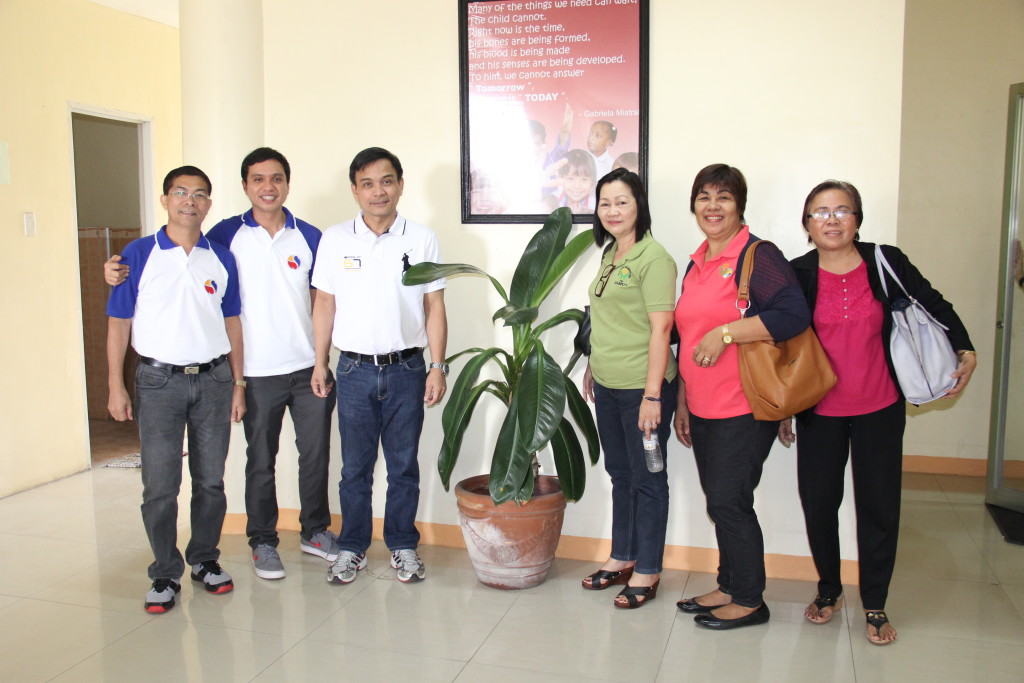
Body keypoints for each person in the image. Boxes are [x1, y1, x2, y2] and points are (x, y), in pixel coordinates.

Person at [105, 148, 340, 582]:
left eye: (276, 178)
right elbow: (136, 312)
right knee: (254, 462)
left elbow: (320, 301)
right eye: (257, 179)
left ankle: (312, 532)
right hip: (241, 373)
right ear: (245, 186)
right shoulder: (223, 236)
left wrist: (321, 360)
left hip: (302, 369)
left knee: (310, 457)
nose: (267, 187)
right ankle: (258, 542)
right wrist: (115, 270)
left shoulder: (308, 236)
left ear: (287, 183)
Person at [779, 179, 976, 645]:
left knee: (879, 507)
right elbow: (782, 342)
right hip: (818, 411)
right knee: (820, 504)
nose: (831, 219)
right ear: (806, 225)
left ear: (857, 219)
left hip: (880, 408)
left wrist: (964, 348)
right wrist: (784, 407)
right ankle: (829, 589)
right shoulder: (797, 273)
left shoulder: (885, 261)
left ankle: (876, 602)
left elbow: (933, 303)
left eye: (842, 210)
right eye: (820, 212)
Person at [673, 163, 810, 630]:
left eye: (724, 197)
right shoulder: (696, 262)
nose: (713, 206)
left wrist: (726, 332)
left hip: (745, 406)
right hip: (704, 405)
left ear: (740, 206)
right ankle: (729, 584)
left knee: (730, 502)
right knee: (720, 501)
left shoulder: (758, 255)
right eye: (705, 197)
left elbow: (793, 314)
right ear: (694, 205)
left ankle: (750, 599)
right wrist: (683, 401)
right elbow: (686, 337)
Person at [107, 166, 245, 613]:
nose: (190, 200)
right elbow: (118, 323)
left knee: (210, 481)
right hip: (157, 380)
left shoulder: (220, 257)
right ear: (165, 199)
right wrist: (116, 385)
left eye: (200, 194)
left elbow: (232, 323)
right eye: (181, 192)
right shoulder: (138, 253)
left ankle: (205, 560)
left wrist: (238, 382)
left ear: (209, 203)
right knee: (160, 485)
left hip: (214, 380)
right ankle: (164, 572)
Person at [311, 147, 448, 585]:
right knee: (354, 469)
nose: (378, 191)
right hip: (352, 371)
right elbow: (324, 305)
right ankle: (351, 548)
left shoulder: (421, 238)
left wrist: (438, 365)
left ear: (400, 185)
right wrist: (320, 362)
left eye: (386, 181)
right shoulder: (335, 239)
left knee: (404, 465)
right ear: (354, 190)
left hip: (408, 368)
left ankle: (402, 545)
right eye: (367, 183)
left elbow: (435, 306)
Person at [580, 168, 678, 609]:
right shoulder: (610, 255)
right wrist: (592, 365)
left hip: (644, 390)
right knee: (620, 475)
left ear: (639, 205)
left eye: (622, 201)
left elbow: (661, 331)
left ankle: (649, 567)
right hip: (608, 383)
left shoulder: (654, 259)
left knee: (649, 479)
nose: (613, 210)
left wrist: (653, 396)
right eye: (605, 203)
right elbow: (608, 319)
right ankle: (622, 554)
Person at [557, 149, 597, 214]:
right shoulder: (553, 202)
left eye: (584, 180)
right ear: (560, 178)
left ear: (592, 182)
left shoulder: (596, 205)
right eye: (570, 179)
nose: (577, 186)